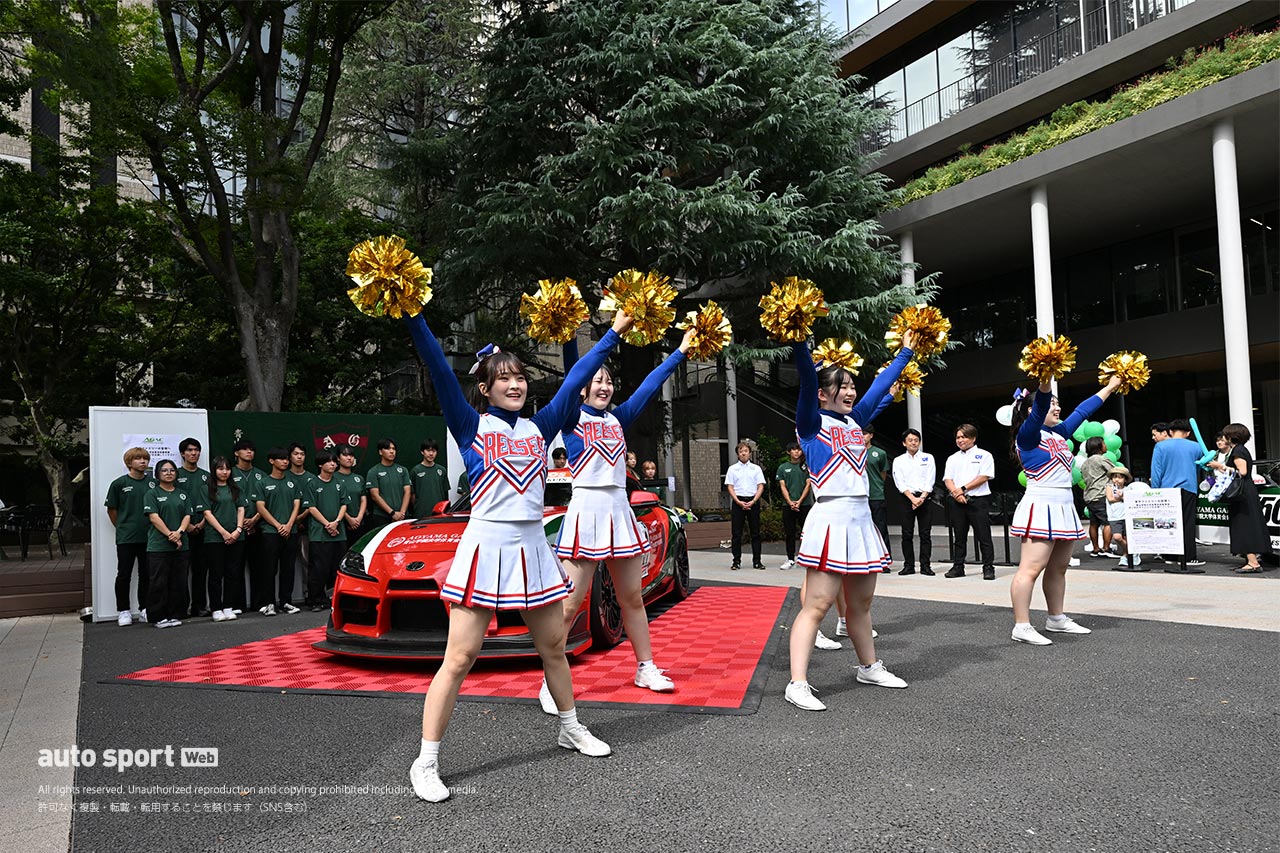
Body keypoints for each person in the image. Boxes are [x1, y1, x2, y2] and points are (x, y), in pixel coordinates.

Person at [405, 308, 633, 803]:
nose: (515, 385)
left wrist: (614, 333)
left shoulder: (541, 427)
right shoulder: (469, 425)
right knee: (460, 656)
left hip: (532, 548)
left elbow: (575, 377)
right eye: (503, 378)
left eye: (521, 377)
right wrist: (414, 315)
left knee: (554, 646)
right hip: (486, 546)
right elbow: (439, 369)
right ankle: (425, 761)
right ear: (485, 388)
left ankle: (570, 727)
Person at [540, 326, 694, 712]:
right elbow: (576, 369)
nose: (604, 385)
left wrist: (679, 353)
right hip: (586, 512)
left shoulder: (618, 418)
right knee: (571, 603)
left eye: (609, 380)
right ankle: (550, 679)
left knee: (632, 599)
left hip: (618, 512)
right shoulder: (571, 417)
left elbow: (650, 385)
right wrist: (567, 332)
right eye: (597, 380)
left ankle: (646, 666)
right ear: (582, 388)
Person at [784, 332, 915, 712]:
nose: (850, 391)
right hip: (830, 517)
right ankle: (798, 682)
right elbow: (808, 380)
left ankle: (868, 666)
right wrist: (800, 345)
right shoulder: (809, 422)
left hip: (860, 518)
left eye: (851, 385)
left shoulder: (856, 421)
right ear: (823, 394)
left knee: (861, 605)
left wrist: (906, 351)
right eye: (841, 386)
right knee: (818, 604)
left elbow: (880, 386)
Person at [1008, 376, 1123, 645]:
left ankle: (1056, 618)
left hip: (1063, 505)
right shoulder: (1028, 434)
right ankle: (1021, 625)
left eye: (1058, 404)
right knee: (1030, 569)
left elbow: (1083, 410)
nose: (1057, 408)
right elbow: (1039, 409)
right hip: (1041, 504)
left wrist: (1109, 387)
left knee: (1059, 568)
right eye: (1052, 405)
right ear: (1031, 411)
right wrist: (1045, 379)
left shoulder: (1058, 433)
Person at [1207, 423, 1273, 573]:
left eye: (1226, 435)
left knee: (1244, 525)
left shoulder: (1238, 451)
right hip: (1246, 491)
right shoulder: (1240, 450)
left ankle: (1253, 562)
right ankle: (1251, 560)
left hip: (1242, 493)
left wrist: (1220, 466)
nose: (1223, 438)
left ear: (1232, 436)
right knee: (1246, 524)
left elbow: (1242, 472)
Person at [142, 459, 194, 629]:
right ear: (157, 474)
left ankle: (174, 614)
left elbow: (187, 516)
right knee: (158, 582)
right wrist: (170, 535)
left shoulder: (182, 494)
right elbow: (154, 517)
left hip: (181, 545)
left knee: (177, 582)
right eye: (164, 470)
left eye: (172, 470)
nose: (169, 473)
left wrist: (179, 532)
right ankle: (158, 617)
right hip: (158, 546)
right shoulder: (152, 494)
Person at [105, 447, 154, 625]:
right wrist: (122, 527)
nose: (143, 462)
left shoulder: (153, 483)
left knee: (146, 574)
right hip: (126, 538)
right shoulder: (119, 484)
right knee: (124, 574)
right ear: (129, 462)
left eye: (145, 459)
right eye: (138, 459)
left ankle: (145, 609)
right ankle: (123, 611)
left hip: (150, 537)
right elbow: (111, 509)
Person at [1150, 418, 1206, 571]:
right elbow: (1204, 468)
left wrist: (1155, 491)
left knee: (1167, 523)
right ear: (1188, 433)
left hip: (1166, 489)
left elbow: (1156, 472)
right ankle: (1188, 557)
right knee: (1187, 523)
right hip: (1189, 488)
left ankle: (1170, 556)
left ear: (1169, 431)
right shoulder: (1196, 447)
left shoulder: (1160, 446)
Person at [943, 423, 997, 580]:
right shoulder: (952, 458)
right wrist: (956, 493)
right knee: (959, 536)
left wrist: (963, 488)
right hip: (957, 500)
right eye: (958, 437)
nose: (960, 440)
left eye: (964, 437)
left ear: (973, 438)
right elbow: (948, 478)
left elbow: (984, 476)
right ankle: (958, 566)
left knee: (983, 536)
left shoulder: (984, 455)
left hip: (978, 500)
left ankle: (988, 567)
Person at [255, 447, 304, 616]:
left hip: (291, 531)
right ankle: (268, 603)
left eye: (286, 459)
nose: (285, 461)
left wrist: (289, 524)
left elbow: (297, 505)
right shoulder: (262, 482)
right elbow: (260, 507)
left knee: (288, 568)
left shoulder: (293, 482)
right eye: (281, 459)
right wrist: (278, 525)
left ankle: (286, 602)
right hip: (270, 532)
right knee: (269, 568)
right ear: (271, 461)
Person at [201, 456, 248, 621]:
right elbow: (207, 513)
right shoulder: (206, 488)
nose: (224, 472)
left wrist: (238, 530)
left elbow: (241, 509)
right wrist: (223, 532)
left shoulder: (236, 488)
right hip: (215, 538)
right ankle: (216, 608)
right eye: (220, 469)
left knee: (233, 573)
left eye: (227, 468)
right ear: (214, 470)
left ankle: (228, 606)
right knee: (216, 574)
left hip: (237, 537)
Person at [305, 450, 348, 610]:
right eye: (329, 461)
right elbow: (311, 507)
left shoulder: (339, 483)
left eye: (334, 461)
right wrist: (327, 524)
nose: (333, 464)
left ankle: (333, 598)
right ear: (320, 465)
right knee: (318, 569)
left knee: (336, 568)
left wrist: (336, 522)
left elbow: (344, 504)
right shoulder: (312, 483)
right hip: (319, 534)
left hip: (339, 533)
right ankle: (315, 600)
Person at [892, 429, 936, 576]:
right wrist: (912, 498)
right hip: (906, 498)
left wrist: (921, 498)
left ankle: (926, 566)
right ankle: (908, 565)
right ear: (904, 443)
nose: (913, 442)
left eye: (916, 440)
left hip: (924, 498)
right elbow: (899, 482)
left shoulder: (928, 458)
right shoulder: (898, 460)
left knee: (925, 534)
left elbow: (930, 479)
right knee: (907, 534)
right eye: (910, 440)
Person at [176, 438, 211, 617]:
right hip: (183, 530)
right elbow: (173, 501)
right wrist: (187, 525)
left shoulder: (207, 476)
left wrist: (203, 522)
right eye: (189, 450)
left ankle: (200, 606)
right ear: (182, 453)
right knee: (182, 571)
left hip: (204, 528)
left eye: (197, 450)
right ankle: (182, 607)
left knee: (201, 570)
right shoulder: (176, 474)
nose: (193, 453)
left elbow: (213, 502)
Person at [231, 439, 265, 615]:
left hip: (257, 526)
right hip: (236, 528)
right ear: (236, 453)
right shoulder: (229, 474)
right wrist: (241, 523)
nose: (249, 452)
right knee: (235, 567)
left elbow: (266, 502)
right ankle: (238, 604)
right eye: (245, 449)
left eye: (252, 449)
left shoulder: (261, 475)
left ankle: (258, 603)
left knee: (258, 566)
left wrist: (254, 520)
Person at [724, 441, 766, 570]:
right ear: (737, 454)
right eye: (741, 451)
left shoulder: (756, 468)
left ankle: (757, 561)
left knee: (755, 533)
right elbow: (730, 486)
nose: (743, 453)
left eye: (745, 451)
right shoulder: (732, 469)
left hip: (753, 501)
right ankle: (736, 561)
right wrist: (737, 501)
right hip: (738, 502)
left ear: (749, 452)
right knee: (736, 534)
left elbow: (760, 486)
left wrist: (753, 501)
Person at [776, 442, 812, 571]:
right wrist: (790, 502)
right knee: (789, 533)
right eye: (793, 450)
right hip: (788, 505)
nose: (796, 452)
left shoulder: (807, 467)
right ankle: (790, 559)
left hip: (805, 504)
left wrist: (799, 501)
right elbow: (782, 486)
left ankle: (807, 559)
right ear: (788, 452)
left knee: (806, 533)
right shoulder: (783, 467)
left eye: (798, 450)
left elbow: (808, 485)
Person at [1079, 436, 1114, 558]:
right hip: (1101, 494)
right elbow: (1115, 471)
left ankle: (1095, 548)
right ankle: (1106, 548)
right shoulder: (1101, 459)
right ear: (1098, 446)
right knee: (1108, 522)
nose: (1106, 445)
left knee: (1094, 523)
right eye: (1103, 443)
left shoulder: (1085, 463)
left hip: (1089, 496)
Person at [367, 439, 412, 529]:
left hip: (402, 517)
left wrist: (401, 514)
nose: (392, 451)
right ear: (380, 452)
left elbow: (407, 492)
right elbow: (374, 496)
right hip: (382, 517)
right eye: (388, 449)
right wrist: (392, 513)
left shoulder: (403, 470)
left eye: (393, 449)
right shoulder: (373, 471)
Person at [1106, 465, 1143, 571]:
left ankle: (1126, 555)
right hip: (1114, 517)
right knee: (1117, 537)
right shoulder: (1109, 487)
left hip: (1127, 516)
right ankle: (1132, 552)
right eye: (1114, 477)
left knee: (1128, 538)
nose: (1117, 479)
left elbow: (1133, 499)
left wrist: (1123, 496)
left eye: (1120, 477)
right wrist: (1123, 498)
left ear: (1125, 479)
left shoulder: (1129, 489)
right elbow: (1110, 498)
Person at [864, 426, 892, 565]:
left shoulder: (879, 453)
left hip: (876, 496)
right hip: (859, 498)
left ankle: (884, 561)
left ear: (871, 435)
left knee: (880, 529)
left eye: (865, 434)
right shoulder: (852, 452)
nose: (862, 436)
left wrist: (877, 486)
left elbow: (883, 474)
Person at [334, 444, 368, 552]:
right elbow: (335, 502)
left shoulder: (359, 478)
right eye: (345, 455)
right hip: (340, 525)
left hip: (359, 523)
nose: (349, 458)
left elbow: (363, 499)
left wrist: (359, 518)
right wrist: (349, 519)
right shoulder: (333, 477)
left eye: (351, 455)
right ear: (338, 459)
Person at [411, 439, 450, 518]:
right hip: (420, 513)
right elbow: (412, 494)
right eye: (428, 450)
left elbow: (445, 492)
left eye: (434, 451)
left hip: (438, 513)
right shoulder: (415, 470)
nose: (431, 454)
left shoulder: (442, 470)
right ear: (422, 452)